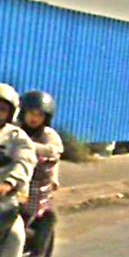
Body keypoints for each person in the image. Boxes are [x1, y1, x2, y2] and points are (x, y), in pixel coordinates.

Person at [18, 92, 63, 257]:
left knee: (45, 222)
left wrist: (54, 178)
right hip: (14, 184)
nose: (34, 118)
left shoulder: (48, 135)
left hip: (38, 189)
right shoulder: (14, 131)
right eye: (31, 113)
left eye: (39, 115)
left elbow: (55, 152)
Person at [0, 84, 37, 257]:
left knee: (15, 235)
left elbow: (25, 161)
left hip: (6, 200)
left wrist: (9, 183)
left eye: (1, 109)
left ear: (11, 113)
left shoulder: (16, 137)